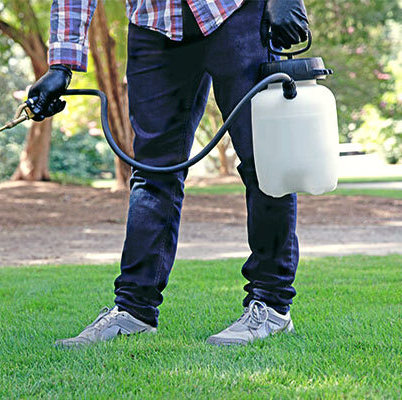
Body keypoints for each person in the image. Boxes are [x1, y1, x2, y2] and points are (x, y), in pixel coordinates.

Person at [27, 0, 309, 347]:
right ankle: (134, 310)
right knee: (151, 174)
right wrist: (61, 64)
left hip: (235, 13)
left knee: (265, 163)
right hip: (154, 25)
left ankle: (271, 305)